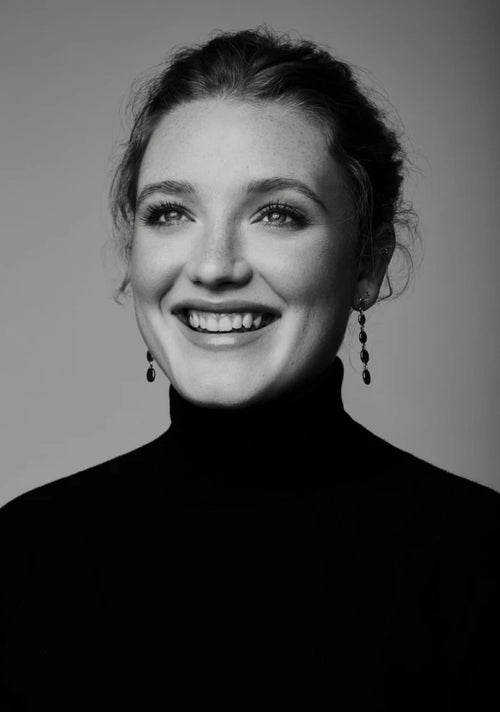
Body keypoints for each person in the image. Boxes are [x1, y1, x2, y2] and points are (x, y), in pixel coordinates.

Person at [1, 27, 499, 711]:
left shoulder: (479, 561)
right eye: (170, 212)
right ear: (132, 251)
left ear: (369, 262)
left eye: (278, 214)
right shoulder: (21, 555)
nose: (213, 267)